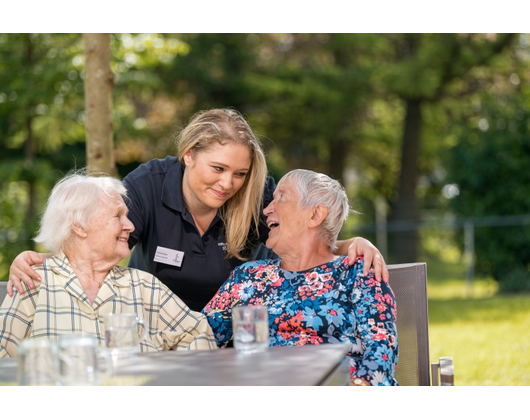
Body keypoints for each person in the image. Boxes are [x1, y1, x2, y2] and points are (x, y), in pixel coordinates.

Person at [8, 108, 388, 311]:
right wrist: (43, 262)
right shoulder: (149, 185)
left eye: (239, 173)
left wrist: (350, 243)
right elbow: (98, 245)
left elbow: (302, 238)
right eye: (218, 169)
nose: (228, 184)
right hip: (155, 327)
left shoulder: (257, 195)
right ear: (189, 155)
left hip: (235, 332)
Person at [203, 169, 399, 386]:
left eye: (282, 197)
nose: (267, 210)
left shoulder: (357, 272)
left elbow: (381, 351)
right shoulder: (248, 277)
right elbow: (199, 336)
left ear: (315, 215)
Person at [0, 172, 217, 358]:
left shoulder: (144, 287)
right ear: (79, 226)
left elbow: (200, 333)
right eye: (118, 216)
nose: (130, 226)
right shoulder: (33, 283)